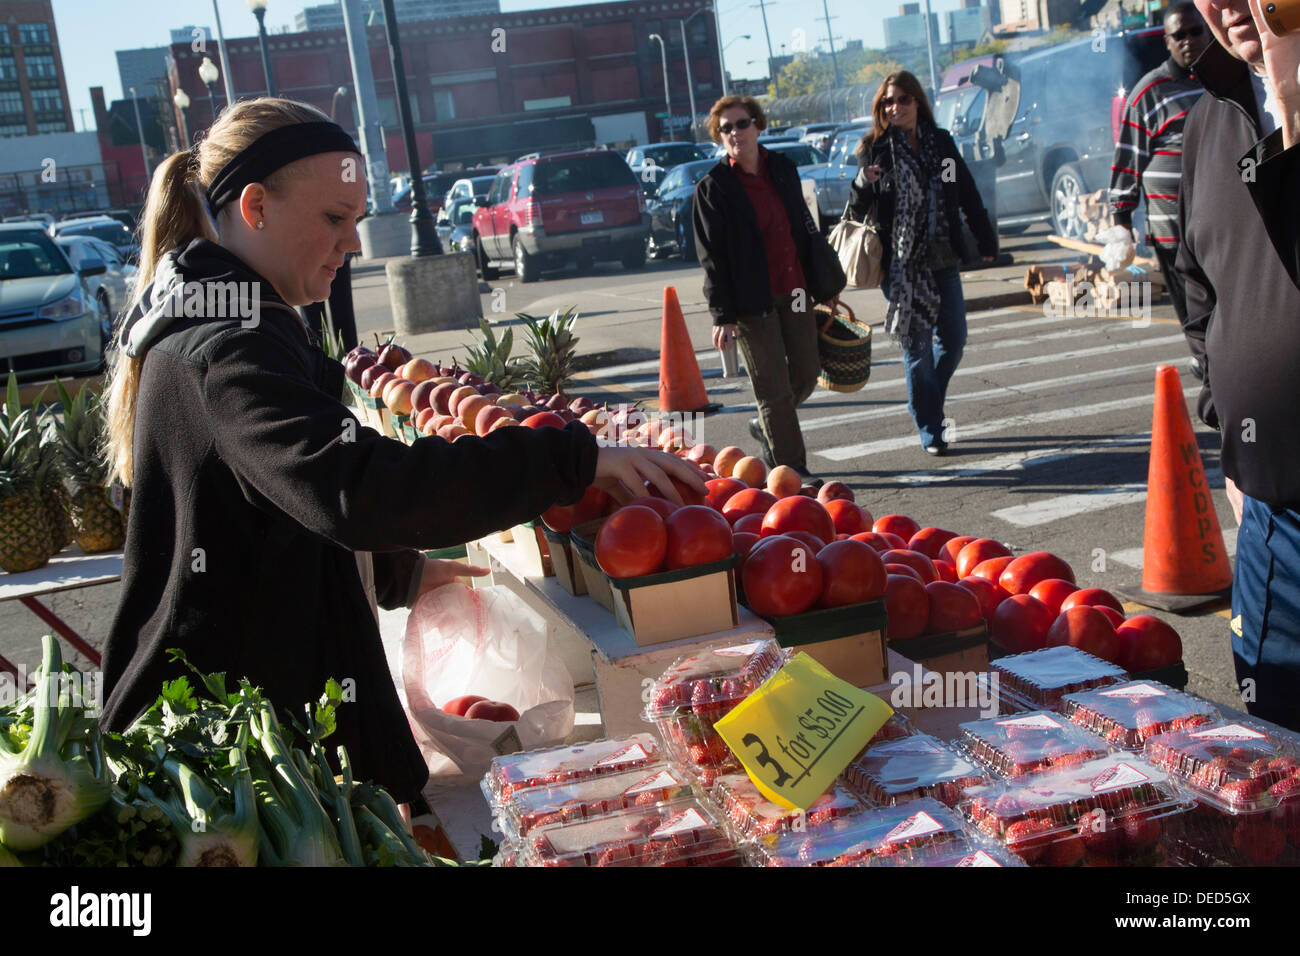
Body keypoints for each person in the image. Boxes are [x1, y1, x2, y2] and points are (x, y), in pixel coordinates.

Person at [98, 98, 706, 805]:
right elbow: (355, 489)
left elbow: (278, 496)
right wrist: (572, 460)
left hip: (243, 747)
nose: (353, 243)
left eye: (356, 220)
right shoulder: (230, 349)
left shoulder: (223, 321)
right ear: (256, 206)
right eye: (334, 218)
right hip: (233, 770)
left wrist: (397, 573)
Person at [1178, 0, 1300, 730]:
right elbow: (1198, 288)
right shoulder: (1209, 120)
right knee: (1278, 754)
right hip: (1270, 512)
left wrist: (1291, 107)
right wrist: (1226, 425)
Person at [693, 95, 846, 484]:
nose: (734, 133)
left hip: (795, 290)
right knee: (773, 387)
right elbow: (712, 259)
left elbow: (803, 231)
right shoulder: (714, 188)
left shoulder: (783, 169)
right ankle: (792, 469)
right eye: (725, 128)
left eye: (741, 124)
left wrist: (822, 284)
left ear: (758, 125)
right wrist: (722, 315)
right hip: (751, 302)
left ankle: (767, 424)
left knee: (809, 371)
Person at [848, 71, 997, 457]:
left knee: (954, 341)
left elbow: (965, 191)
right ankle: (930, 426)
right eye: (887, 102)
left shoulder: (940, 144)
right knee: (917, 351)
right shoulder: (876, 150)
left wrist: (985, 238)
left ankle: (928, 401)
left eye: (903, 100)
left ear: (918, 103)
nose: (894, 107)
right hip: (900, 267)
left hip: (943, 256)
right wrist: (864, 183)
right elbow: (856, 209)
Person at [1108, 1, 1211, 378]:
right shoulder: (1149, 93)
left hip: (1223, 233)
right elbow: (1125, 164)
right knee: (1199, 324)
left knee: (1231, 321)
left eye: (1194, 32)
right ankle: (1215, 392)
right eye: (1178, 36)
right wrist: (1122, 226)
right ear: (1167, 42)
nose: (1187, 41)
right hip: (1174, 237)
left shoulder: (1223, 81)